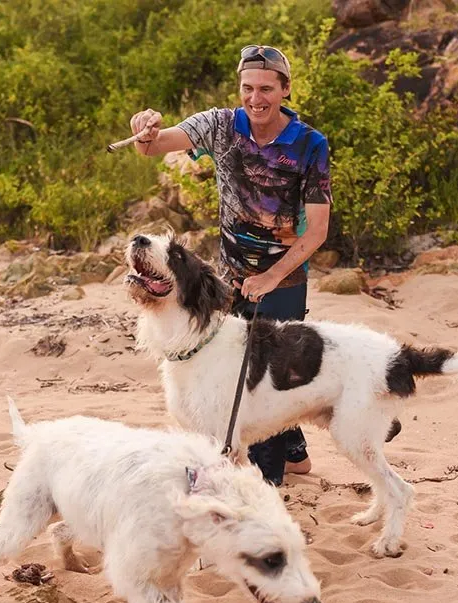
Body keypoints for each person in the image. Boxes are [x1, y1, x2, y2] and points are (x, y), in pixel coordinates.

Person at [129, 45, 332, 486]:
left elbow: (316, 231)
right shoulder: (220, 124)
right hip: (229, 276)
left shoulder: (310, 145)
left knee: (270, 379)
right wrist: (145, 131)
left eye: (265, 89)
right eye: (247, 88)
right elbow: (157, 146)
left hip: (284, 277)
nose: (255, 98)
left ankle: (269, 487)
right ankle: (295, 452)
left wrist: (272, 276)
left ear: (285, 89)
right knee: (239, 377)